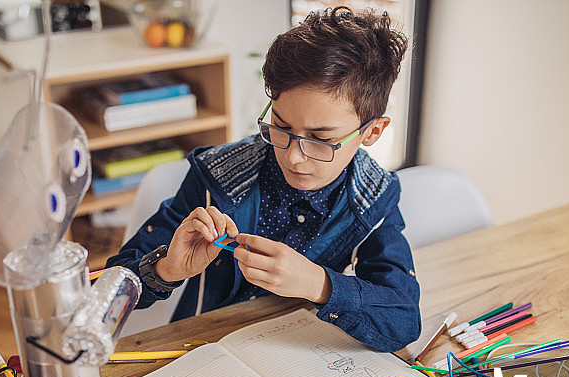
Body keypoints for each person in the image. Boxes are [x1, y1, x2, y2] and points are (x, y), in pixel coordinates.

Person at [106, 6, 420, 353]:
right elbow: (111, 288)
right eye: (281, 126)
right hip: (204, 351)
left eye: (320, 139)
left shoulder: (372, 198)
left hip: (300, 351)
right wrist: (165, 269)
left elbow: (403, 320)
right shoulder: (216, 177)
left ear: (372, 131)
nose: (293, 155)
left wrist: (320, 285)